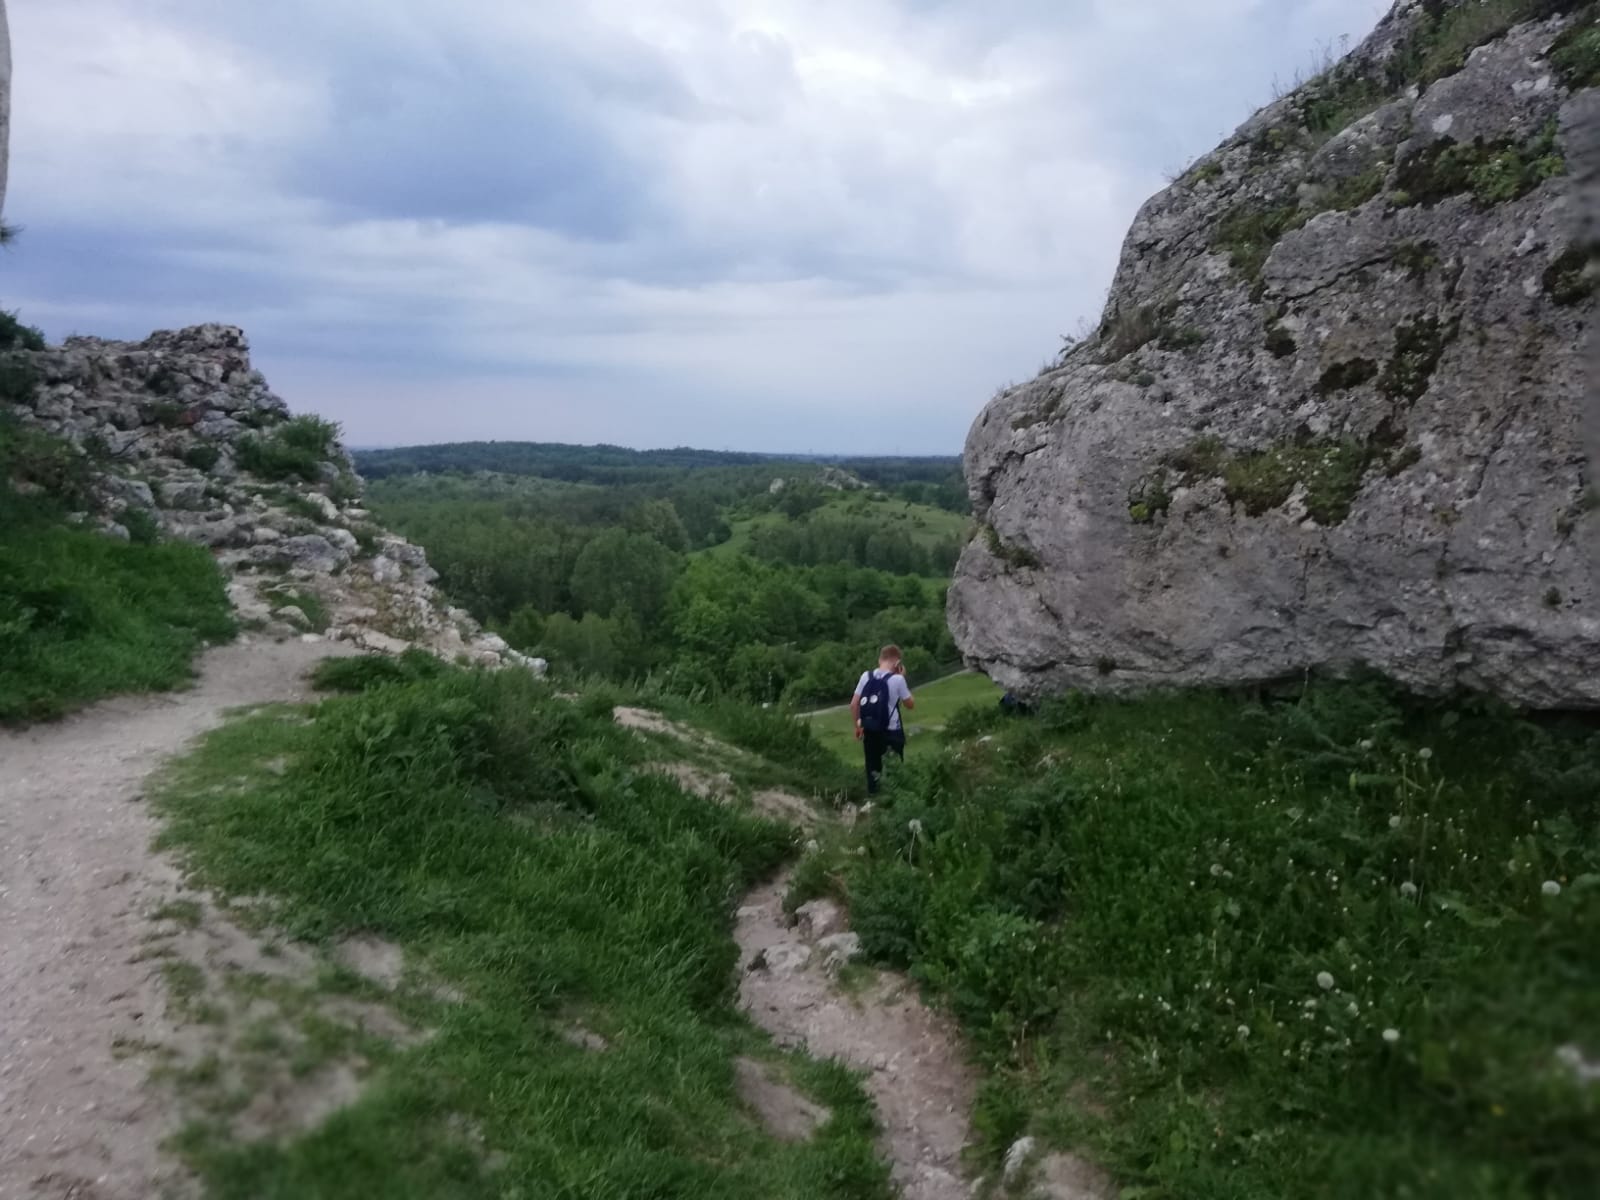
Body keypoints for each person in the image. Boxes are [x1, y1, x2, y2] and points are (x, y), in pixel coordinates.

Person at [852, 644, 915, 795]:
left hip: (870, 729)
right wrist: (902, 677)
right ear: (897, 662)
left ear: (880, 659)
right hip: (892, 731)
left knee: (872, 769)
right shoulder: (897, 679)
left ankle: (874, 799)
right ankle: (894, 799)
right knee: (895, 770)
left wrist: (858, 727)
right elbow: (910, 704)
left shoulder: (866, 676)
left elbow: (853, 704)